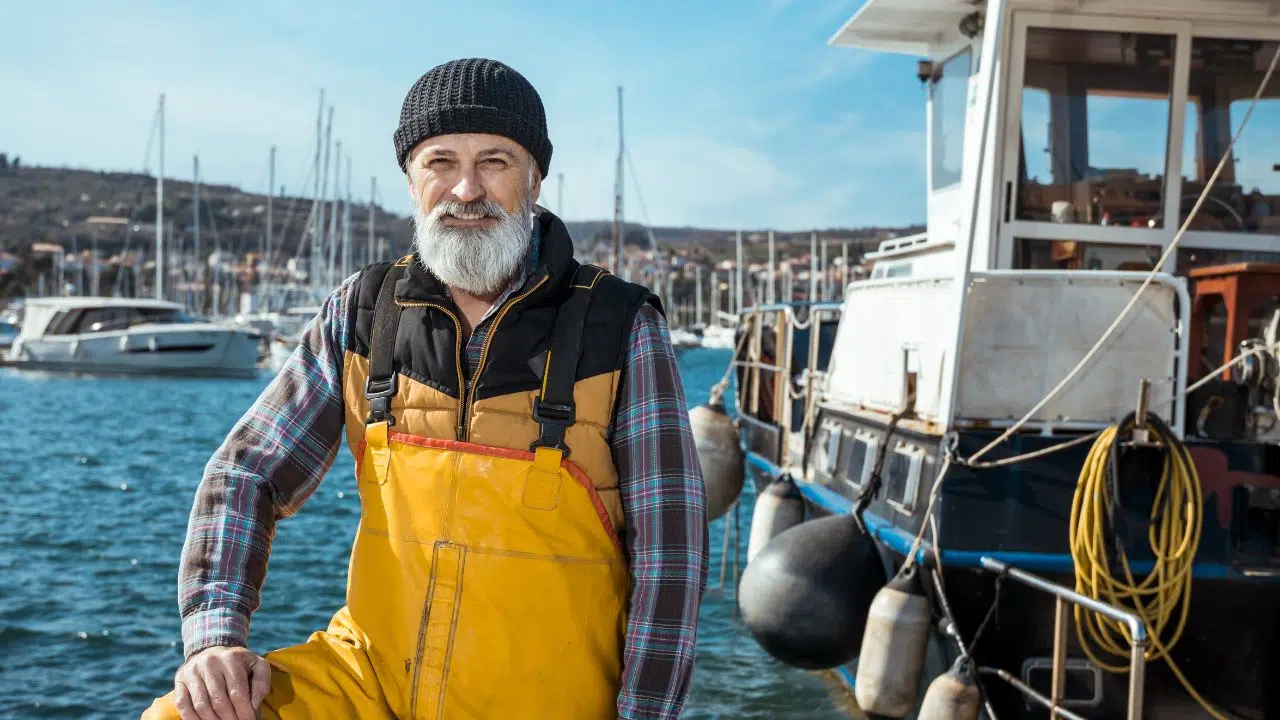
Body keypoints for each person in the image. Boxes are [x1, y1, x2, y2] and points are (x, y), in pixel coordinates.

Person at [143, 57, 709, 720]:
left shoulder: (621, 326)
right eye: (440, 161)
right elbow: (245, 474)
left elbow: (671, 553)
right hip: (370, 681)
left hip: (550, 699)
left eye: (495, 160)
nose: (466, 189)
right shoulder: (361, 313)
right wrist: (213, 639)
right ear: (412, 180)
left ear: (535, 178)